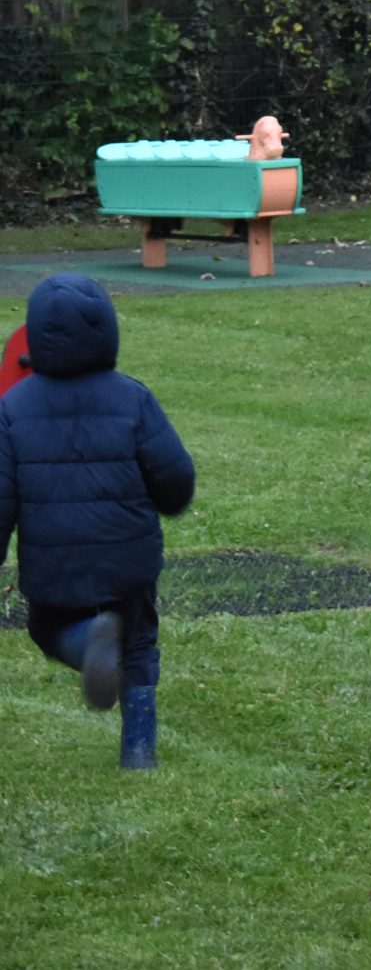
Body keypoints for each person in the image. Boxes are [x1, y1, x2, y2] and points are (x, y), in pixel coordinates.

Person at [0, 272, 195, 769]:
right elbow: (174, 478)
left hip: (54, 563)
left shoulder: (12, 409)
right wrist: (168, 499)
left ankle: (84, 643)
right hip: (127, 555)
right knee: (139, 640)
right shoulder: (133, 398)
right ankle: (138, 749)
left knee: (47, 627)